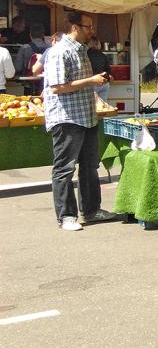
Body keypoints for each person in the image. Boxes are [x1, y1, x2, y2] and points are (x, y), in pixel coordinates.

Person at [44, 12, 117, 231]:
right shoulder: (60, 52)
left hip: (86, 117)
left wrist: (96, 82)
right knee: (64, 169)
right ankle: (66, 216)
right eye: (88, 27)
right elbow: (57, 87)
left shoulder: (82, 51)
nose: (91, 31)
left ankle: (92, 211)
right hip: (67, 119)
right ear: (75, 27)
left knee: (89, 167)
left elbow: (77, 85)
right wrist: (90, 80)